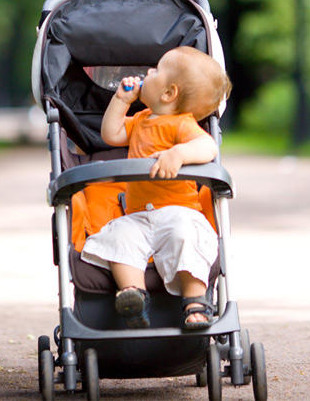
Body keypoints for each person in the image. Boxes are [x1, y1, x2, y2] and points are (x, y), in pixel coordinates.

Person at [79, 46, 231, 330]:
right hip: (138, 216)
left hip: (178, 212)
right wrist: (121, 100)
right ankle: (133, 296)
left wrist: (179, 154)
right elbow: (111, 134)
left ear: (168, 93)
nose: (148, 72)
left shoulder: (181, 124)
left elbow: (207, 146)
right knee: (120, 236)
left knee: (186, 237)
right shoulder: (140, 120)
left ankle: (195, 302)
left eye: (156, 70)